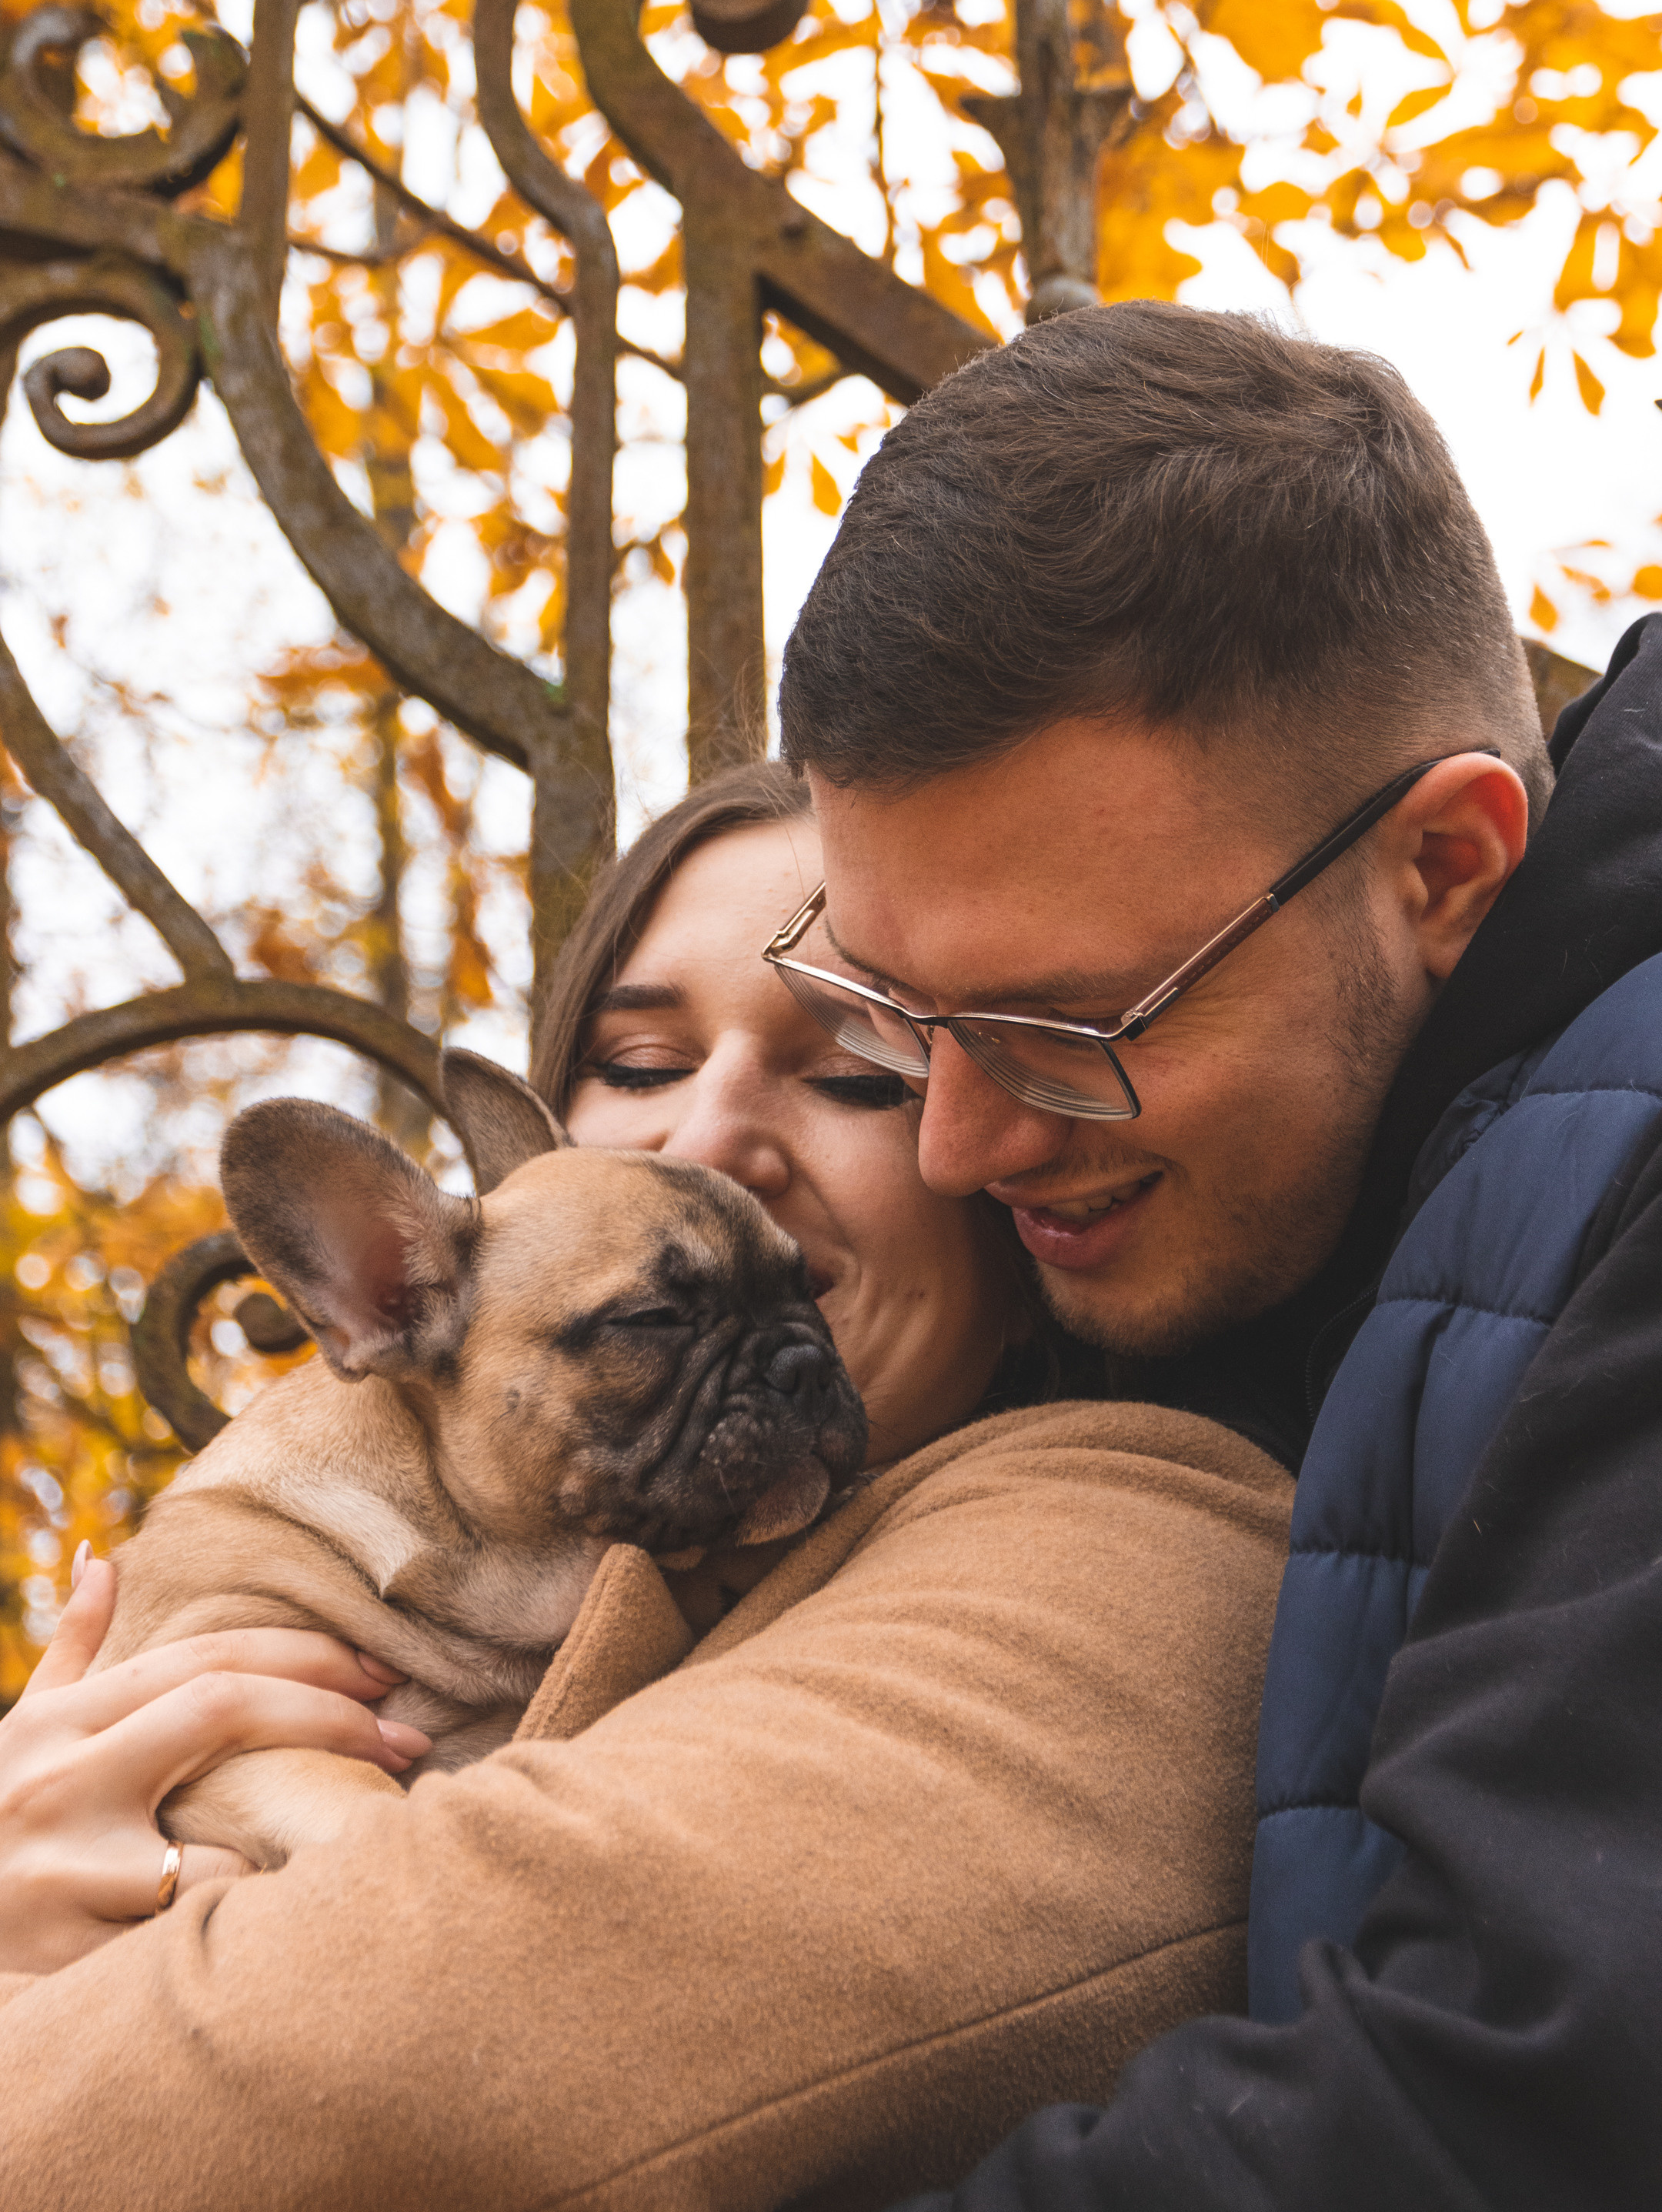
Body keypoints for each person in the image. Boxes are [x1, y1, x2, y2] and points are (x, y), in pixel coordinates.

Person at [0, 759, 1293, 2209]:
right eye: (639, 1066)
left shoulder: (1126, 1549)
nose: (709, 1147)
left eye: (861, 1065)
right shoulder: (316, 1546)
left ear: (1009, 1171)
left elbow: (406, 2040)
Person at [771, 298, 1662, 2211]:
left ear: (1443, 867)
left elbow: (1525, 2103)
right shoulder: (1253, 1223)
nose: (958, 1139)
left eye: (1067, 1030)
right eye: (889, 1010)